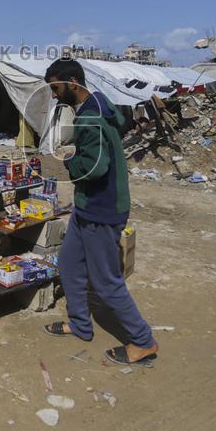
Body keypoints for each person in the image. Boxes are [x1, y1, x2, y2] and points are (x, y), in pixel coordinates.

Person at [41, 58, 158, 367]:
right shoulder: (100, 103)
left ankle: (143, 341)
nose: (53, 95)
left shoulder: (88, 118)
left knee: (106, 281)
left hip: (101, 208)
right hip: (88, 206)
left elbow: (95, 168)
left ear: (72, 83)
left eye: (55, 88)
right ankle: (80, 324)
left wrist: (69, 162)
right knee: (68, 263)